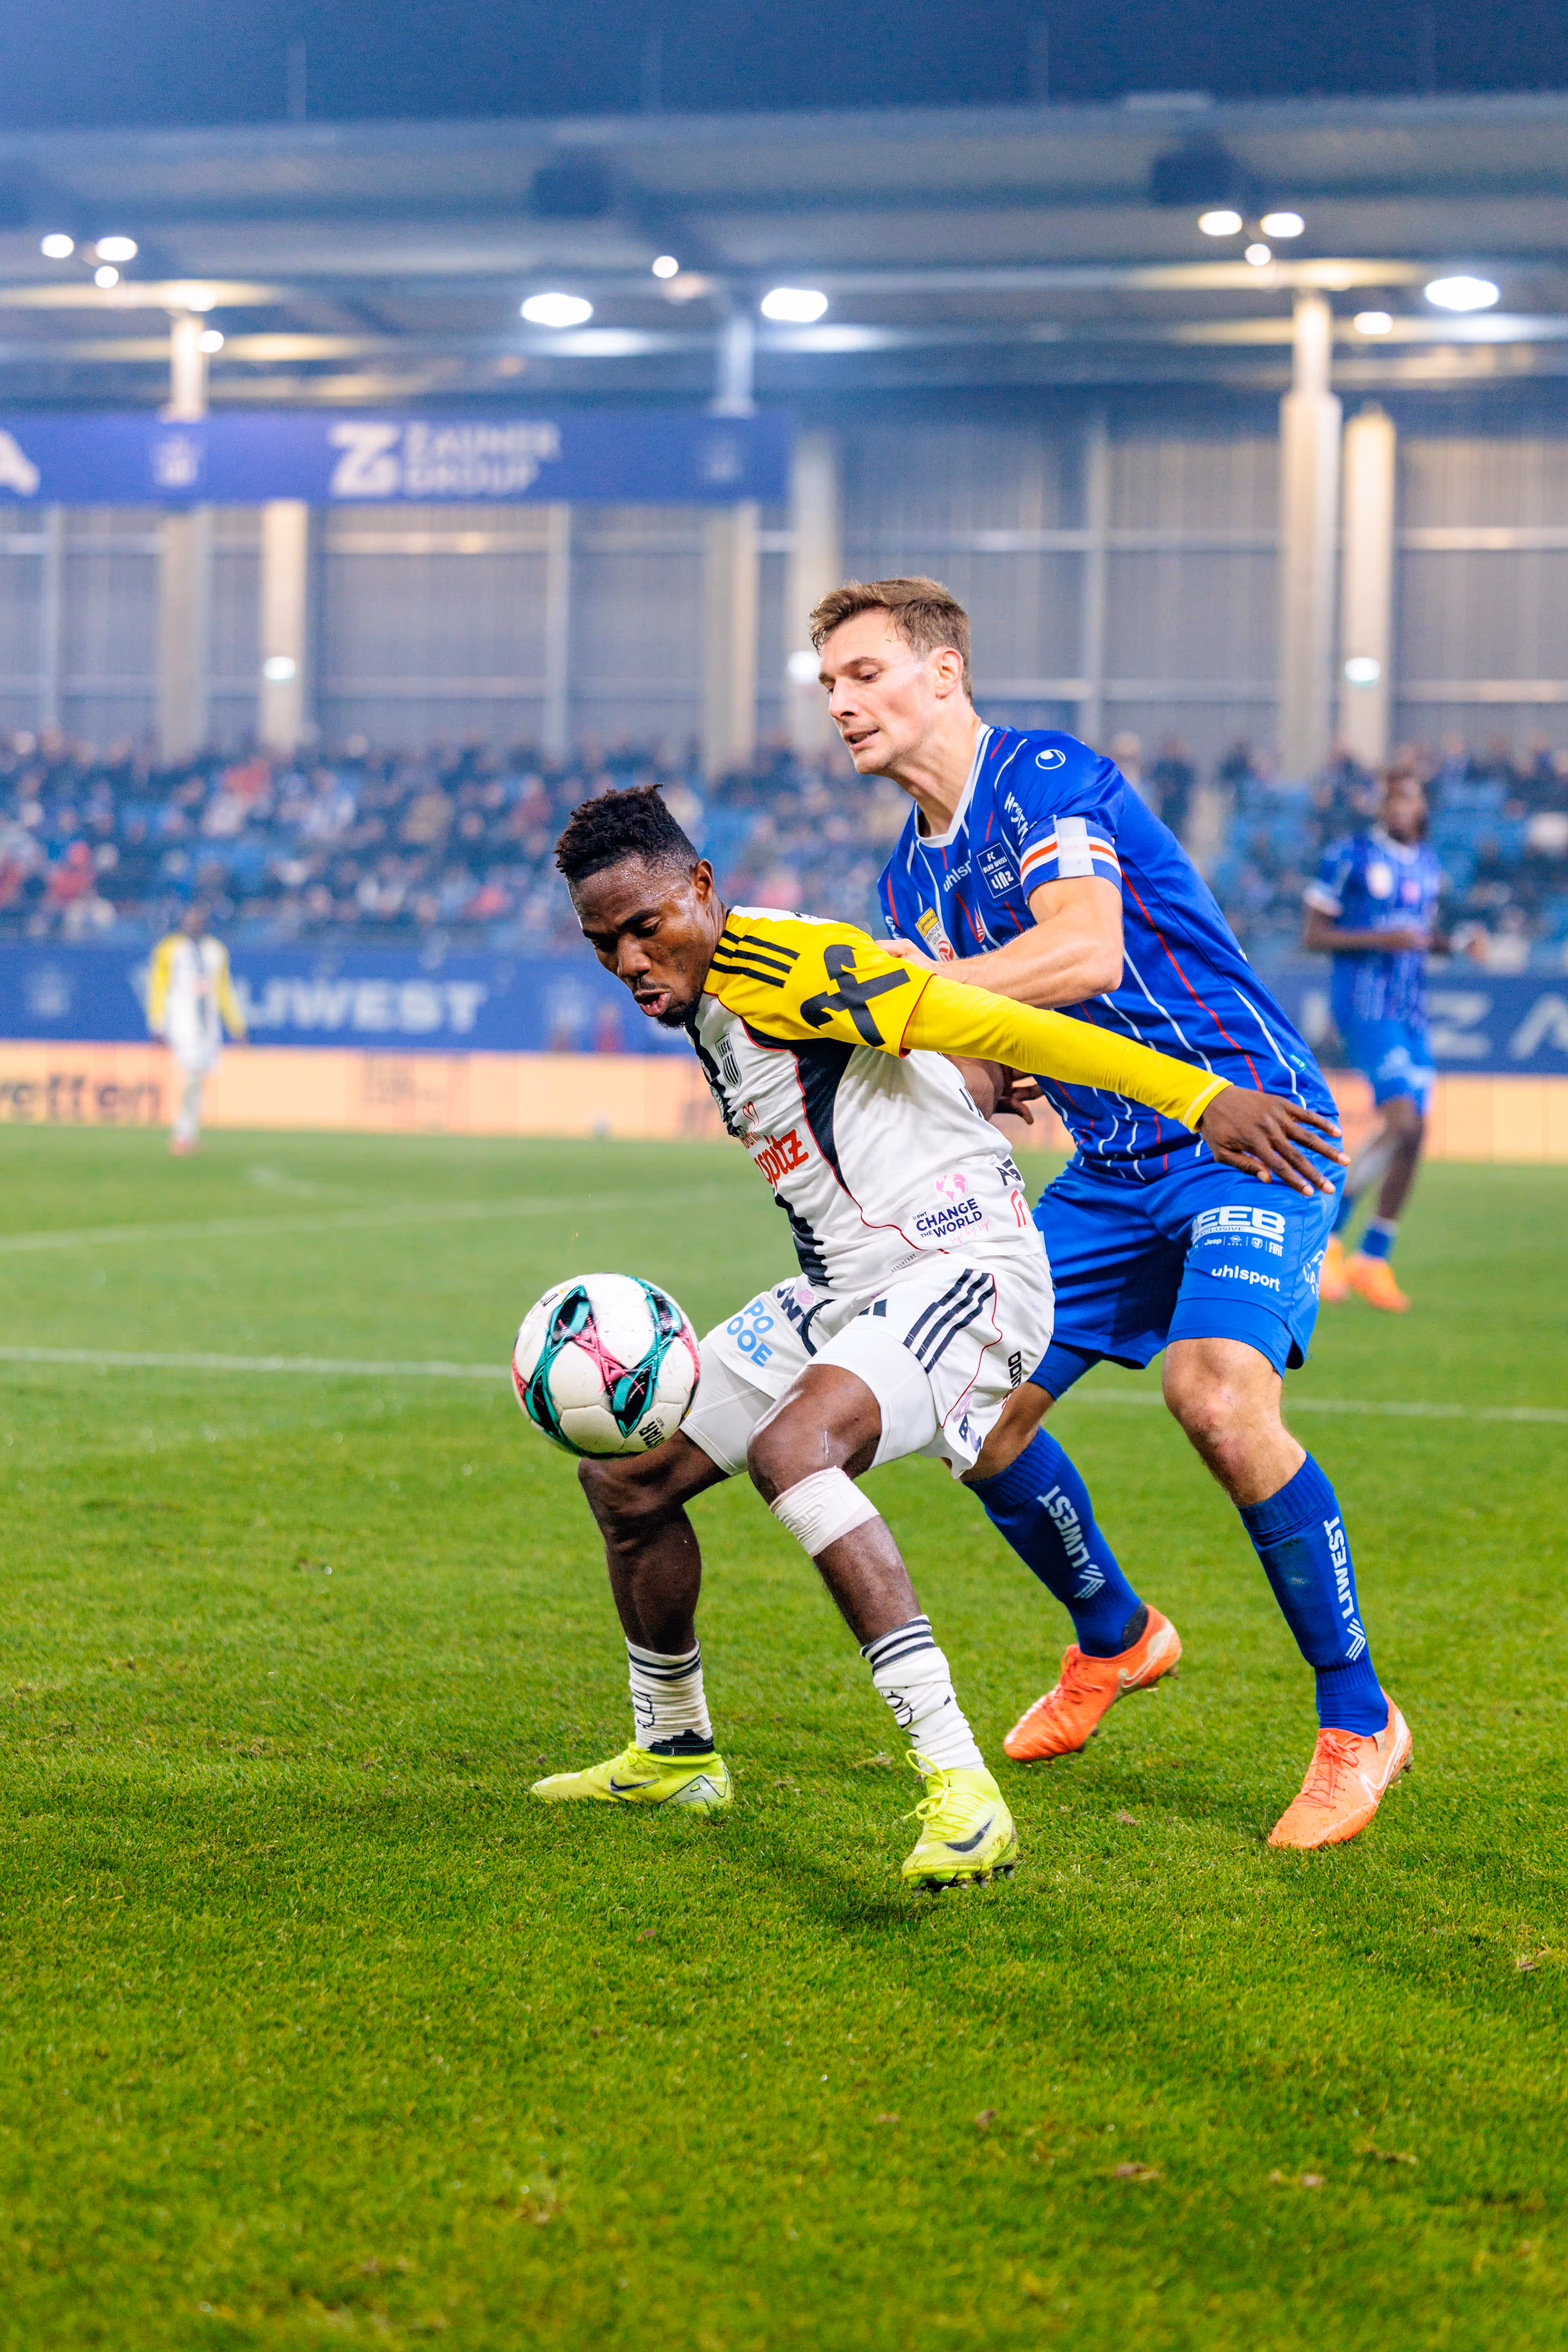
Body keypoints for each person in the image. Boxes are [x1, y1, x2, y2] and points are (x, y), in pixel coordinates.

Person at [533, 784, 1336, 1889]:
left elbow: (1002, 1023)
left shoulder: (786, 966)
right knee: (627, 1485)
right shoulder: (708, 993)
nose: (629, 957)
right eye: (604, 941)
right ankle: (675, 1750)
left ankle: (962, 1787)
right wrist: (961, 1091)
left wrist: (1199, 1101)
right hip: (844, 1288)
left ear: (704, 889)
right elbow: (907, 1065)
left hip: (963, 1272)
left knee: (792, 1454)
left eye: (647, 924)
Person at [811, 575, 1412, 1853]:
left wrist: (916, 1003)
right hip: (1112, 1169)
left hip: (1248, 1126)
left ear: (943, 673)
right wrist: (957, 1066)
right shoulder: (906, 879)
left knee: (1215, 1395)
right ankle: (1120, 1639)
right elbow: (977, 1056)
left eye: (865, 675)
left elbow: (1080, 949)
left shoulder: (1042, 781)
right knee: (973, 1417)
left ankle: (1361, 1720)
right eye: (829, 686)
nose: (841, 703)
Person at [1304, 766, 1445, 1313]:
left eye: (1407, 798)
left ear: (1422, 805)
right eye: (1389, 799)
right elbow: (1313, 934)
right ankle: (1331, 1244)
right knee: (1405, 1120)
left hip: (1413, 1013)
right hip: (1366, 1008)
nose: (1397, 808)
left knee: (1412, 1133)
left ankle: (1372, 1258)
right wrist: (1380, 937)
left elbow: (1417, 938)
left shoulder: (1429, 863)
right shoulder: (1350, 856)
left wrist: (1454, 944)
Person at [145, 900, 246, 1155]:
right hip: (182, 1022)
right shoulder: (170, 949)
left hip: (207, 1025)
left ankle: (188, 1134)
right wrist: (157, 1023)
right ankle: (182, 1134)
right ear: (183, 922)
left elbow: (224, 990)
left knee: (200, 1078)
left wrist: (236, 1024)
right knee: (191, 1074)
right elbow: (158, 987)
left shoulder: (216, 951)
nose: (194, 924)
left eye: (199, 919)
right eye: (190, 919)